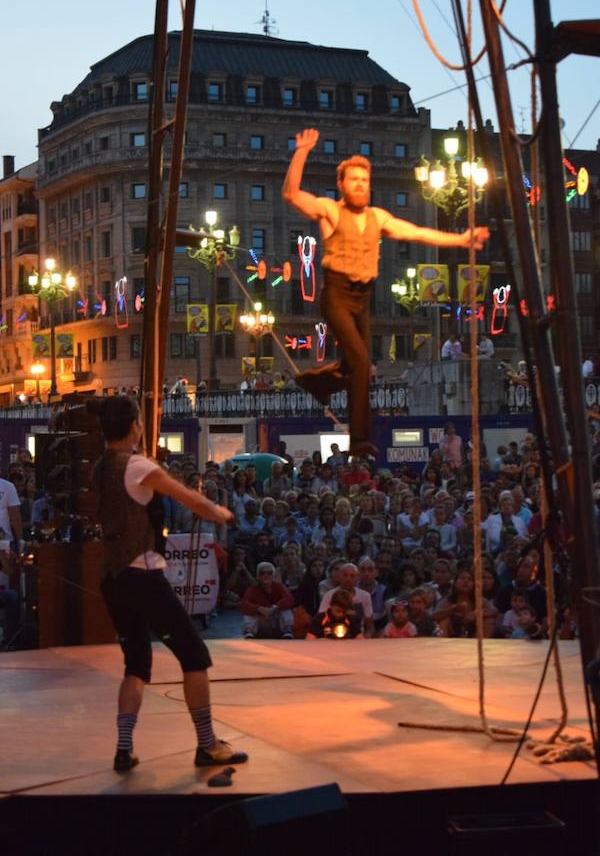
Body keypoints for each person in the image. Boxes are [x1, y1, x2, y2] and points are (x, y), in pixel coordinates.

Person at [283, 127, 489, 458]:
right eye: (353, 180)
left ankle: (315, 383)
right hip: (336, 292)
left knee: (356, 367)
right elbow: (292, 194)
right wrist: (302, 151)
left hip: (363, 297)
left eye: (364, 180)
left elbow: (418, 232)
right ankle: (360, 440)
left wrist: (462, 239)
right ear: (341, 184)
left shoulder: (378, 216)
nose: (360, 185)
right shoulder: (330, 211)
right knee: (363, 364)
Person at [90, 395, 247, 773]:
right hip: (142, 574)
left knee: (136, 664)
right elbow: (187, 497)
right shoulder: (138, 465)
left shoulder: (99, 467)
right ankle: (208, 744)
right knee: (194, 656)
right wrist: (220, 512)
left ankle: (124, 748)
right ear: (135, 427)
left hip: (113, 577)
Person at [239, 562, 295, 639]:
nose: (266, 575)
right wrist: (258, 609)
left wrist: (274, 608)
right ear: (258, 576)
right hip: (261, 621)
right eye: (262, 573)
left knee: (286, 611)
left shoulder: (279, 586)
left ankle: (288, 630)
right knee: (248, 615)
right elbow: (243, 604)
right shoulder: (252, 589)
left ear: (273, 575)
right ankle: (249, 631)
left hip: (276, 620)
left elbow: (289, 599)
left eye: (269, 573)